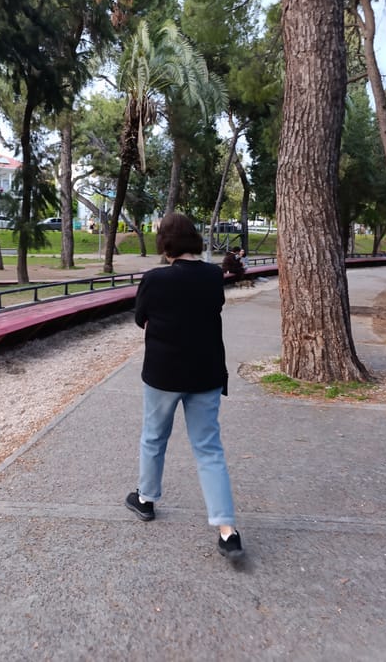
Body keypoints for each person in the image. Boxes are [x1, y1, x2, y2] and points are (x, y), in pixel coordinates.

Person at [125, 212, 244, 560]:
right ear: (194, 239)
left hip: (163, 374)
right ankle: (227, 531)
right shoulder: (213, 275)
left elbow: (140, 319)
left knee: (154, 437)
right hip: (206, 373)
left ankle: (146, 499)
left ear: (165, 244)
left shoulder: (154, 279)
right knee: (209, 449)